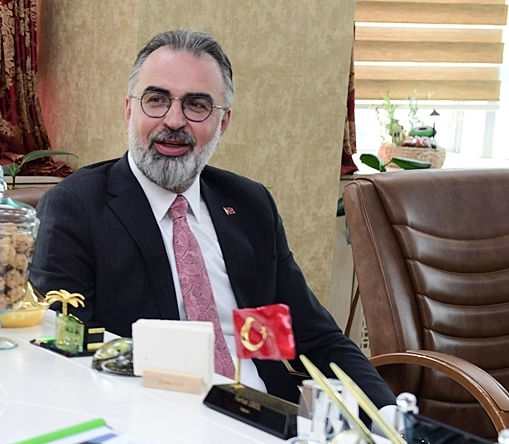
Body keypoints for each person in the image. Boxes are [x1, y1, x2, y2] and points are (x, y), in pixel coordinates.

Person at [30, 29, 395, 407]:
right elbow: (67, 353)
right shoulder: (76, 208)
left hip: (266, 417)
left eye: (197, 105)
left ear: (222, 122)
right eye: (156, 100)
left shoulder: (250, 205)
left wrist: (394, 423)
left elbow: (316, 338)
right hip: (147, 415)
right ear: (129, 109)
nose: (174, 120)